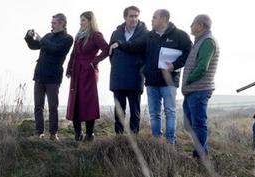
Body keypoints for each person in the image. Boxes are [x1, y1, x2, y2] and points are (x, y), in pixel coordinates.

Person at [110, 9, 192, 144]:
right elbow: (134, 45)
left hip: (169, 81)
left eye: (154, 17)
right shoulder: (150, 35)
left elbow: (189, 53)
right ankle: (156, 142)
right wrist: (120, 43)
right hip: (152, 81)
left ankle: (170, 142)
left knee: (170, 112)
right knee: (154, 114)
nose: (151, 20)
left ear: (164, 19)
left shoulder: (180, 35)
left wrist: (175, 64)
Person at [25, 14, 74, 140]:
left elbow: (55, 49)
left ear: (62, 23)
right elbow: (34, 46)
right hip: (39, 75)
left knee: (53, 107)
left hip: (53, 76)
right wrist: (29, 37)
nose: (51, 24)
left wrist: (42, 40)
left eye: (54, 23)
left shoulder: (68, 38)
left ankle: (53, 134)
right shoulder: (48, 36)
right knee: (38, 106)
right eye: (51, 22)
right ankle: (39, 133)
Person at [66, 12, 111, 142]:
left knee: (88, 101)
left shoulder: (95, 35)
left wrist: (93, 61)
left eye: (84, 20)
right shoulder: (78, 36)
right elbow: (73, 54)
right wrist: (69, 69)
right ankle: (77, 133)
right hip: (76, 71)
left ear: (91, 21)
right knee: (75, 100)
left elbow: (107, 49)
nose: (81, 23)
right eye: (80, 20)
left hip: (88, 72)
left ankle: (89, 134)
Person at [181, 15, 220, 158]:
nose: (190, 26)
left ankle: (199, 156)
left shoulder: (207, 42)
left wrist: (189, 80)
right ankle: (202, 152)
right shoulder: (199, 41)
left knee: (198, 124)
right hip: (192, 90)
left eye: (192, 23)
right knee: (190, 124)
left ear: (200, 26)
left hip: (199, 89)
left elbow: (203, 67)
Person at [108, 6, 149, 134]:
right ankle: (119, 138)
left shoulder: (145, 33)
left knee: (135, 111)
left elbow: (139, 48)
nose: (134, 19)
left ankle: (134, 138)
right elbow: (111, 53)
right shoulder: (116, 33)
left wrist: (139, 66)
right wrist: (116, 64)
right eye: (131, 16)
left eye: (136, 16)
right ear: (125, 17)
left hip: (135, 76)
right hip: (118, 76)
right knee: (119, 111)